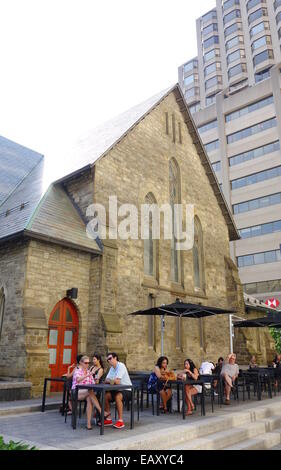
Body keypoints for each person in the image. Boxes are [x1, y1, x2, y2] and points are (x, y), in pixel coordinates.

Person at [71, 355, 103, 430]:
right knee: (90, 391)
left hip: (87, 393)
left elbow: (92, 383)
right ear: (81, 363)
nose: (87, 364)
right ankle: (101, 411)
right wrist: (88, 375)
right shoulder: (77, 371)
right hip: (76, 392)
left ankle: (88, 424)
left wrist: (96, 379)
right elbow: (78, 380)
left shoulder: (89, 372)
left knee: (89, 398)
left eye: (88, 363)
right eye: (86, 363)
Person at [104, 352, 132, 429]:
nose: (109, 361)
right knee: (105, 395)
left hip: (127, 389)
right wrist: (112, 381)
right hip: (116, 389)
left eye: (110, 358)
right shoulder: (112, 368)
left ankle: (120, 421)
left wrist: (111, 380)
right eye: (107, 360)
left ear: (115, 358)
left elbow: (118, 382)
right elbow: (106, 380)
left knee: (118, 396)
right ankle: (109, 419)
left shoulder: (121, 366)